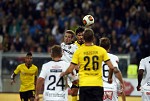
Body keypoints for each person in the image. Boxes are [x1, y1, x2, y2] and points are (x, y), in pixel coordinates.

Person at [61, 28, 114, 101]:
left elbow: (70, 69)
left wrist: (63, 73)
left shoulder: (79, 51)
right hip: (97, 84)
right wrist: (110, 78)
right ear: (93, 38)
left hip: (84, 84)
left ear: (84, 38)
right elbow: (111, 67)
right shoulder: (101, 50)